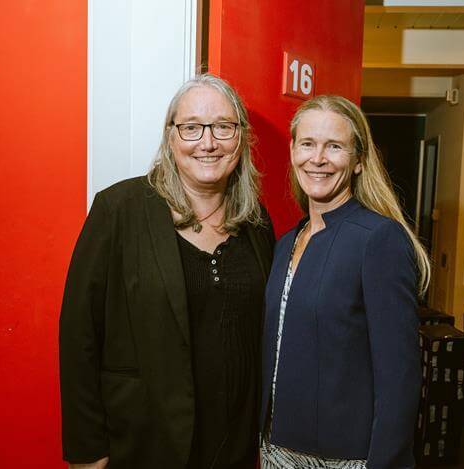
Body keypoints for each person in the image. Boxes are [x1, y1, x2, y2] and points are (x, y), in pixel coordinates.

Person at [60, 74, 275, 469]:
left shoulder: (257, 222)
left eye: (223, 127)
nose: (207, 143)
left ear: (240, 138)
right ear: (171, 137)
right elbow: (79, 333)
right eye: (192, 127)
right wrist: (87, 449)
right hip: (145, 443)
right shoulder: (119, 210)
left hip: (235, 447)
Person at [259, 95, 430, 469]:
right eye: (307, 144)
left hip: (345, 458)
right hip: (276, 450)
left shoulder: (379, 239)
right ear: (292, 151)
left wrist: (384, 462)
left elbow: (399, 375)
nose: (317, 159)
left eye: (334, 147)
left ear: (358, 160)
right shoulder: (288, 241)